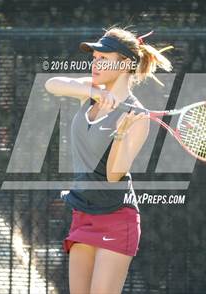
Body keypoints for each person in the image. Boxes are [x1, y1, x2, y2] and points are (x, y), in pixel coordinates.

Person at [45, 26, 172, 294]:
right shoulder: (91, 91)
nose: (96, 63)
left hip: (117, 218)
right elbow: (52, 83)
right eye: (94, 58)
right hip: (82, 214)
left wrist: (120, 133)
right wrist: (97, 92)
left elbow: (114, 174)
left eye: (104, 57)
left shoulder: (137, 117)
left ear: (125, 63)